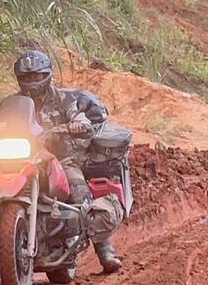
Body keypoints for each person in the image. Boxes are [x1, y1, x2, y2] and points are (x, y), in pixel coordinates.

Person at [13, 50, 126, 273]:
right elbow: (2, 124)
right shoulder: (15, 103)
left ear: (47, 75)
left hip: (60, 158)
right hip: (21, 159)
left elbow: (79, 118)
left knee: (79, 191)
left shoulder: (64, 100)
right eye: (27, 77)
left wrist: (77, 125)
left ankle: (105, 250)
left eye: (36, 76)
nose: (32, 82)